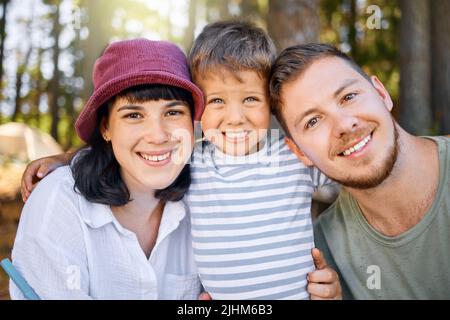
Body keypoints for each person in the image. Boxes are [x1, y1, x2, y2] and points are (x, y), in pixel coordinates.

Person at [20, 22, 342, 300]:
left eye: (173, 112)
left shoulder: (285, 156)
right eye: (133, 115)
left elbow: (357, 173)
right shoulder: (193, 162)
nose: (234, 117)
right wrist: (67, 159)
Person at [10, 38, 205, 299]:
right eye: (133, 115)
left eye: (173, 113)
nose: (158, 136)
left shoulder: (211, 191)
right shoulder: (59, 202)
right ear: (105, 128)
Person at [269, 43, 450, 299]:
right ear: (298, 151)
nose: (343, 125)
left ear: (381, 93)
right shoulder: (322, 254)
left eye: (348, 97)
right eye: (313, 121)